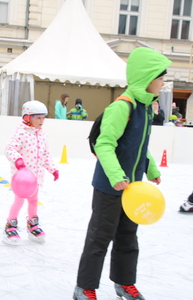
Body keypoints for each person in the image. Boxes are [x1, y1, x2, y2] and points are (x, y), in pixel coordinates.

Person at [73, 47, 172, 300]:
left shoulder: (146, 107)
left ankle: (124, 283)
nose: (163, 82)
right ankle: (84, 288)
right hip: (109, 185)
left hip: (133, 188)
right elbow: (105, 144)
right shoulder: (123, 106)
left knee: (128, 237)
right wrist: (117, 176)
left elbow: (138, 145)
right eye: (160, 77)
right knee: (99, 238)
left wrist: (151, 168)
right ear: (147, 77)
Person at [3, 100, 59, 245]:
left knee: (33, 201)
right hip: (22, 180)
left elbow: (45, 155)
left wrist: (53, 169)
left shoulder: (43, 135)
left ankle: (32, 224)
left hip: (36, 178)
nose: (42, 121)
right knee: (19, 201)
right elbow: (9, 149)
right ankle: (10, 225)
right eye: (38, 117)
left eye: (43, 117)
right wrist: (18, 160)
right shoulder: (21, 134)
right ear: (28, 117)